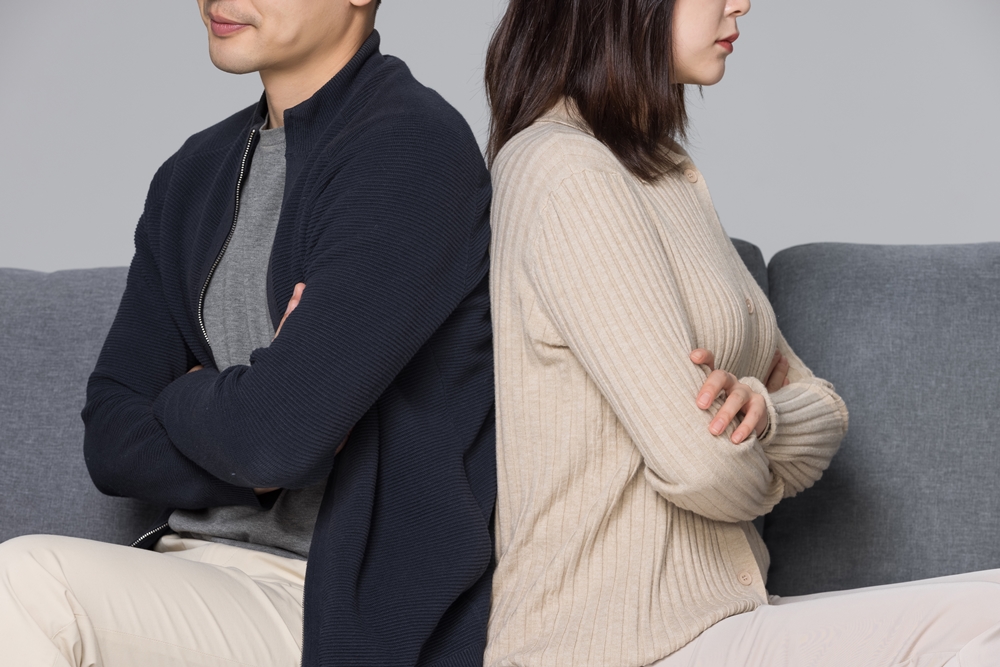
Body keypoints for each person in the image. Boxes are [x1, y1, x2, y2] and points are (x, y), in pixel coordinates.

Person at [483, 0, 1000, 665]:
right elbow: (702, 469)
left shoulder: (660, 170)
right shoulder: (565, 173)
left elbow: (824, 408)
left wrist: (764, 417)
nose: (741, 3)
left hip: (717, 625)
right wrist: (757, 437)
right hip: (614, 648)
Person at [0, 0, 496, 665]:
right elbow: (110, 438)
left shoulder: (412, 150)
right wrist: (257, 443)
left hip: (328, 607)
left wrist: (184, 394)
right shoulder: (193, 172)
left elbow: (275, 436)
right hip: (186, 576)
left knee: (25, 585)